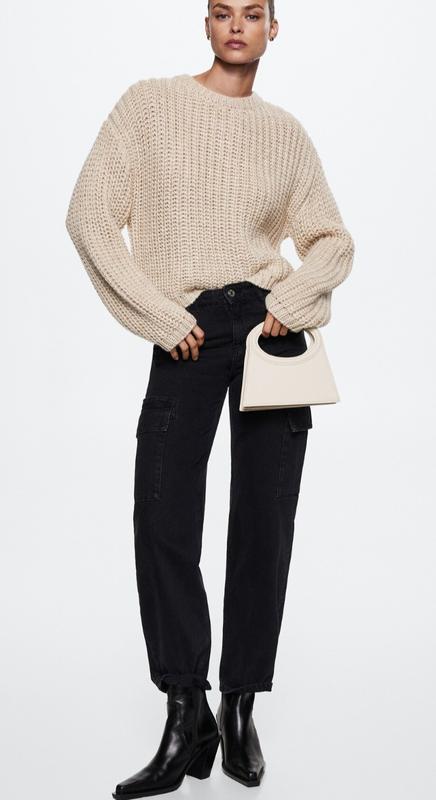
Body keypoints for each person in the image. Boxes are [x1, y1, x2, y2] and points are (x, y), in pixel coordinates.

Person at [65, 2, 355, 796]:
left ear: (273, 29)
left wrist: (289, 303)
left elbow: (333, 240)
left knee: (265, 521)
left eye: (253, 13)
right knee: (162, 516)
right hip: (187, 328)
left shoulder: (285, 134)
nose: (237, 25)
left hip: (267, 330)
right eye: (222, 11)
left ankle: (239, 704)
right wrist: (160, 318)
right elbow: (89, 216)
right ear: (205, 23)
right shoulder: (149, 106)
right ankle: (185, 710)